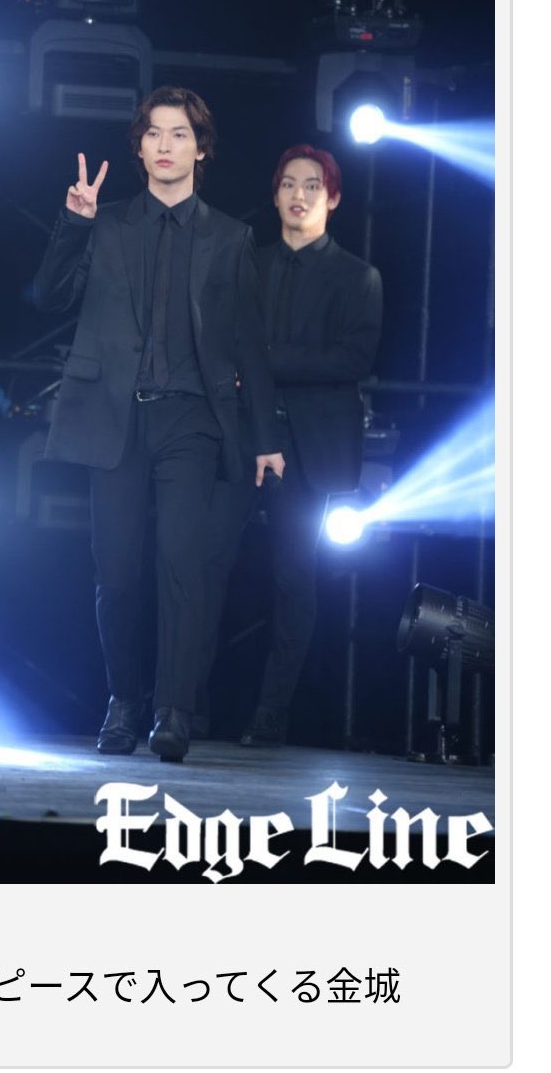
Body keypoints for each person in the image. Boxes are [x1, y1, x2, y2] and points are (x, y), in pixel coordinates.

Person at [30, 86, 284, 763]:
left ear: (201, 149)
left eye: (179, 134)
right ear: (138, 147)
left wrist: (265, 438)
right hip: (114, 417)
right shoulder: (107, 223)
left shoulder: (230, 237)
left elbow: (249, 344)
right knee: (116, 572)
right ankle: (123, 700)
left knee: (182, 565)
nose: (165, 144)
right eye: (154, 133)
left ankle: (173, 709)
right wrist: (74, 222)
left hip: (191, 420)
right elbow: (47, 297)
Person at [199, 143, 383, 747]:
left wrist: (265, 362)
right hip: (239, 437)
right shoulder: (246, 264)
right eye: (287, 184)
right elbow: (219, 345)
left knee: (292, 579)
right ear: (275, 195)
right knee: (204, 566)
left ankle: (271, 716)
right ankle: (186, 705)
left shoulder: (357, 277)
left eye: (311, 185)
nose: (298, 195)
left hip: (307, 449)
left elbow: (353, 359)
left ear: (333, 198)